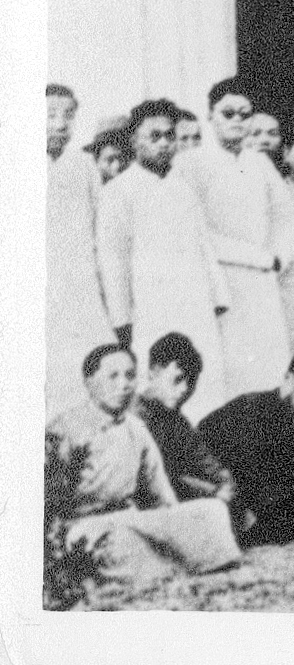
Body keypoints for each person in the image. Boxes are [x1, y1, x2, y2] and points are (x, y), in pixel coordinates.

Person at [47, 343, 243, 583]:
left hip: (131, 517)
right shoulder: (65, 428)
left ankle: (170, 563)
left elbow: (160, 492)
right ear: (89, 382)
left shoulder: (136, 428)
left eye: (130, 375)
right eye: (113, 376)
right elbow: (49, 499)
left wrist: (174, 522)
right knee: (121, 539)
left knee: (212, 510)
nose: (124, 384)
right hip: (88, 524)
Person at [98, 100, 232, 412]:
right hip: (151, 306)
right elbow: (113, 260)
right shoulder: (118, 191)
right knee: (158, 387)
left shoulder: (184, 187)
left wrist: (217, 296)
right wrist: (122, 319)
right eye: (154, 136)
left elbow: (203, 244)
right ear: (134, 140)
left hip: (195, 302)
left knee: (205, 381)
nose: (164, 144)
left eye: (169, 136)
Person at [186, 80, 294, 406]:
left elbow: (285, 214)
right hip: (221, 280)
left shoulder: (259, 162)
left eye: (244, 114)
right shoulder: (191, 163)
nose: (237, 120)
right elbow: (196, 230)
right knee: (228, 369)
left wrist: (278, 257)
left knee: (269, 366)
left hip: (263, 281)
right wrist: (254, 257)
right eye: (228, 113)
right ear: (211, 115)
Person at [196, 348, 294, 544]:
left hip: (293, 523)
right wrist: (222, 480)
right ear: (288, 377)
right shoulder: (250, 408)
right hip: (260, 523)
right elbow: (201, 437)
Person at [48, 88, 116, 419]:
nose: (60, 124)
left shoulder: (84, 165)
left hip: (81, 282)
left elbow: (101, 227)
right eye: (50, 115)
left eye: (68, 115)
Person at [133, 334, 240, 528]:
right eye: (178, 379)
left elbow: (203, 458)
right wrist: (213, 491)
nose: (184, 389)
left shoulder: (176, 420)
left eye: (191, 382)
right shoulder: (134, 417)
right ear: (153, 372)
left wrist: (225, 481)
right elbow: (161, 477)